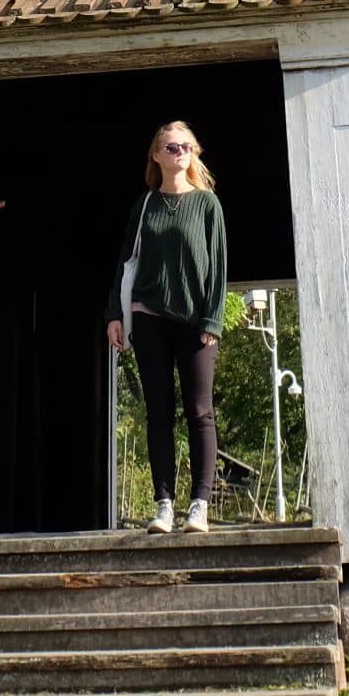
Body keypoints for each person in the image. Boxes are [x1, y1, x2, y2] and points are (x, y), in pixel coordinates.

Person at [108, 120, 227, 534]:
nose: (179, 153)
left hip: (196, 322)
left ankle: (199, 505)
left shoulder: (208, 205)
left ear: (194, 154)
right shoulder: (144, 206)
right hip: (149, 316)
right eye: (170, 147)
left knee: (199, 411)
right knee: (158, 413)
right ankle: (163, 505)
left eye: (186, 147)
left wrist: (212, 318)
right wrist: (115, 315)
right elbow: (126, 261)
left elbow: (218, 268)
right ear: (156, 156)